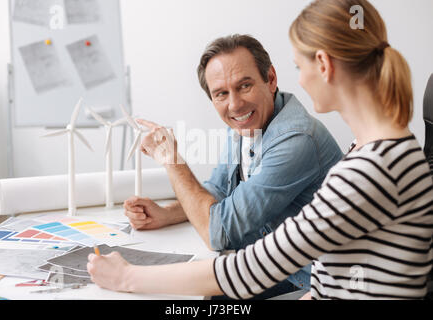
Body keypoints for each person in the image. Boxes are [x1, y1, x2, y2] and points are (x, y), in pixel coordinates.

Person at [87, 0, 433, 299]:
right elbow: (339, 269)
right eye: (221, 93)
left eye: (300, 66)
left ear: (324, 66)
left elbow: (251, 268)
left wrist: (126, 277)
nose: (299, 79)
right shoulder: (377, 150)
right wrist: (167, 213)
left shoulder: (367, 169)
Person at [122, 34, 343, 297]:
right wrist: (166, 214)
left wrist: (173, 161)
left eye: (244, 86)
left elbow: (217, 232)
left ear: (270, 79)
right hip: (274, 264)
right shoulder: (248, 123)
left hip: (310, 282)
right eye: (221, 94)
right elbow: (219, 191)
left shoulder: (296, 140)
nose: (235, 104)